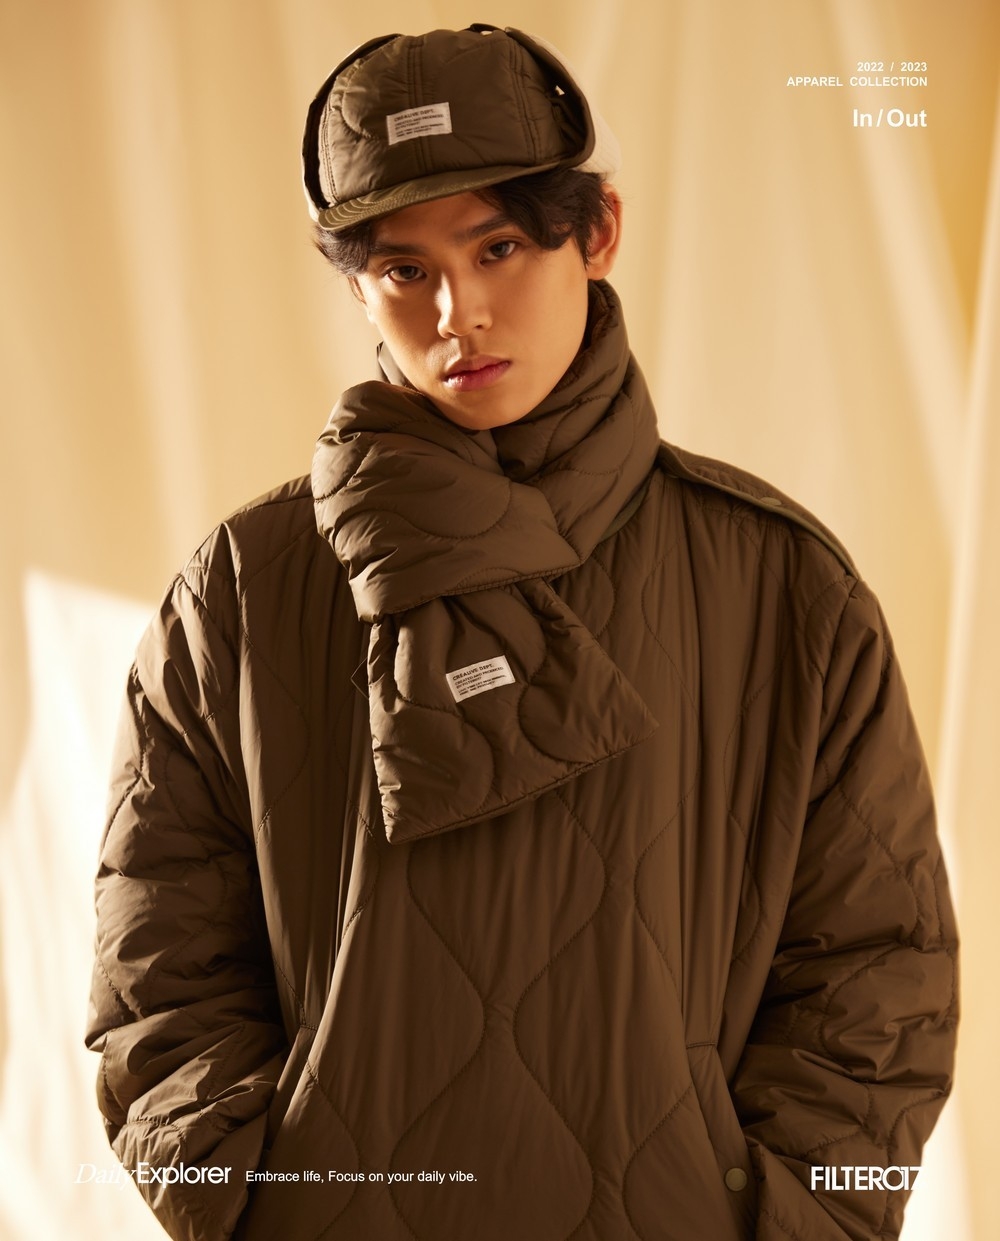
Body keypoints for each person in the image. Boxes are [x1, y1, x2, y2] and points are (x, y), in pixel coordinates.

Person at [86, 24, 958, 1241]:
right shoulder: (242, 591)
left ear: (595, 234)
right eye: (404, 269)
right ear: (357, 285)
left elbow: (876, 972)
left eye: (497, 247)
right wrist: (255, 1204)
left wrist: (787, 1220)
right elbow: (159, 967)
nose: (458, 312)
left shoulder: (783, 586)